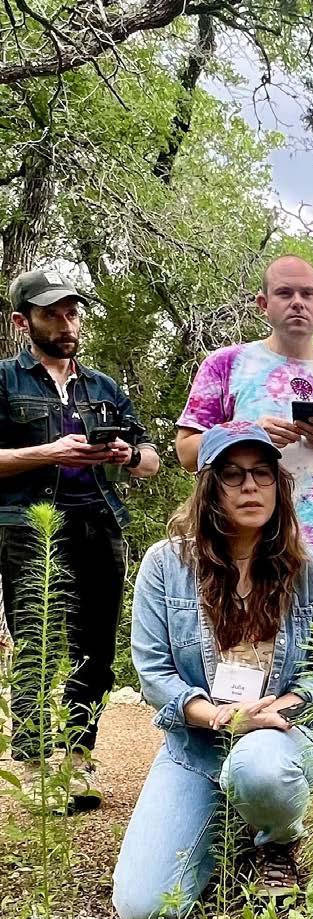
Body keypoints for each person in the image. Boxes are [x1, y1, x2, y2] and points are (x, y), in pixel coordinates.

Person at [173, 257, 313, 845]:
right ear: (263, 303)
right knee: (247, 664)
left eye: (308, 294)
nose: (297, 303)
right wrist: (249, 432)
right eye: (285, 293)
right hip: (252, 548)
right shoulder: (227, 365)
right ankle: (248, 789)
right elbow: (188, 452)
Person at [113, 423, 313, 919]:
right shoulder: (165, 564)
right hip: (197, 745)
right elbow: (153, 672)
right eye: (233, 475)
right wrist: (221, 718)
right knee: (145, 906)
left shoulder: (311, 567)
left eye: (262, 473)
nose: (250, 487)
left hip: (282, 737)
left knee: (259, 767)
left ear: (279, 484)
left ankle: (276, 841)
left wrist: (277, 711)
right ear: (209, 487)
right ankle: (234, 820)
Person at [0, 268, 160, 809]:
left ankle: (76, 761)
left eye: (72, 313)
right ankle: (33, 768)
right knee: (37, 644)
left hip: (99, 524)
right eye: (52, 315)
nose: (67, 324)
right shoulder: (6, 381)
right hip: (29, 526)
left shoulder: (104, 387)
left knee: (96, 649)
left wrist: (127, 455)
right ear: (23, 322)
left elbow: (151, 459)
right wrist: (49, 452)